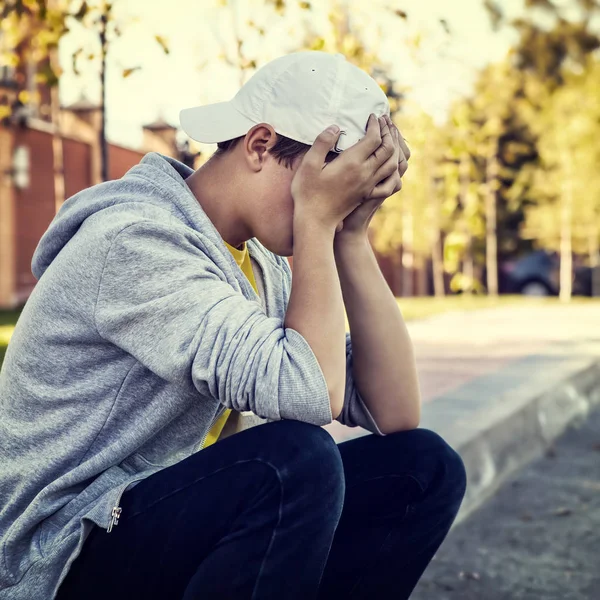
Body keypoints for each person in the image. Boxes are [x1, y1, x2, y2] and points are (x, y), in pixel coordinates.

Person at [0, 51, 466, 600]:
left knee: (423, 468)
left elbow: (393, 411)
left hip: (153, 522)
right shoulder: (134, 241)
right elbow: (310, 395)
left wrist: (350, 237)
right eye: (324, 188)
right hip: (62, 553)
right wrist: (316, 221)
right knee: (291, 463)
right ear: (260, 145)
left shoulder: (261, 263)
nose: (330, 207)